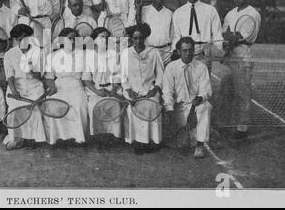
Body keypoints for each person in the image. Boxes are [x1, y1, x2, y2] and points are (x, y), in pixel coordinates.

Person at [218, 0, 262, 139]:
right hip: (230, 56)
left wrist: (232, 35)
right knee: (225, 91)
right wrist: (230, 36)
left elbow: (239, 36)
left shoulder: (253, 13)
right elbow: (225, 33)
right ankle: (225, 124)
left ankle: (243, 127)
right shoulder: (230, 13)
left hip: (243, 56)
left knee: (243, 93)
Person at [163, 37, 212, 158]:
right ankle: (185, 136)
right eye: (184, 50)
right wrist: (169, 111)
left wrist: (200, 98)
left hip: (195, 107)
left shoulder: (201, 67)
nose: (188, 53)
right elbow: (167, 92)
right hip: (179, 108)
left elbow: (206, 90)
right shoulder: (171, 67)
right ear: (179, 51)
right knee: (181, 140)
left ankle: (200, 146)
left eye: (190, 50)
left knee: (206, 106)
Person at [120, 23, 164, 154]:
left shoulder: (154, 53)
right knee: (133, 107)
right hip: (131, 90)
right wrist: (128, 91)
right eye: (135, 38)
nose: (138, 41)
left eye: (141, 38)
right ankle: (138, 142)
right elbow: (123, 77)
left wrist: (155, 89)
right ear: (131, 39)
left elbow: (160, 75)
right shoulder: (125, 53)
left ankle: (153, 140)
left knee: (152, 106)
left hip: (149, 89)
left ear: (145, 38)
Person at [2, 24, 47, 149]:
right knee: (13, 110)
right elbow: (9, 76)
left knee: (35, 110)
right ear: (15, 40)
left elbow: (40, 76)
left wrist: (31, 69)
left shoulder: (38, 52)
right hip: (16, 87)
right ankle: (15, 138)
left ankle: (34, 137)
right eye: (20, 39)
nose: (24, 41)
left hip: (35, 86)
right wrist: (14, 91)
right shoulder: (10, 54)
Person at [44, 28, 89, 146]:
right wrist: (52, 86)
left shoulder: (83, 55)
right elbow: (49, 77)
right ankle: (58, 137)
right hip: (59, 85)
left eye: (75, 38)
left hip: (76, 85)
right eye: (69, 38)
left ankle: (78, 138)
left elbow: (85, 76)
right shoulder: (52, 56)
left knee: (79, 104)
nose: (72, 41)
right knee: (54, 104)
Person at [171, 0, 223, 72]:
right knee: (186, 83)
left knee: (203, 83)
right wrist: (175, 50)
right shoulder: (178, 12)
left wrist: (220, 49)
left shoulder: (210, 10)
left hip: (204, 52)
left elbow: (217, 34)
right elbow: (176, 36)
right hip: (185, 51)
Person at [82, 27, 122, 144]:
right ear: (94, 39)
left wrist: (113, 89)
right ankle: (98, 137)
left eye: (106, 37)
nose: (104, 40)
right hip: (96, 89)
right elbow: (86, 79)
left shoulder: (114, 54)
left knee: (115, 105)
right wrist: (97, 92)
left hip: (112, 88)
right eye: (101, 37)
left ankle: (113, 135)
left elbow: (118, 74)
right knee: (94, 106)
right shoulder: (88, 55)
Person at [140, 0, 173, 66]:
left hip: (166, 53)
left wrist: (172, 51)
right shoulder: (143, 11)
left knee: (165, 78)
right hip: (149, 51)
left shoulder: (170, 13)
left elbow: (173, 35)